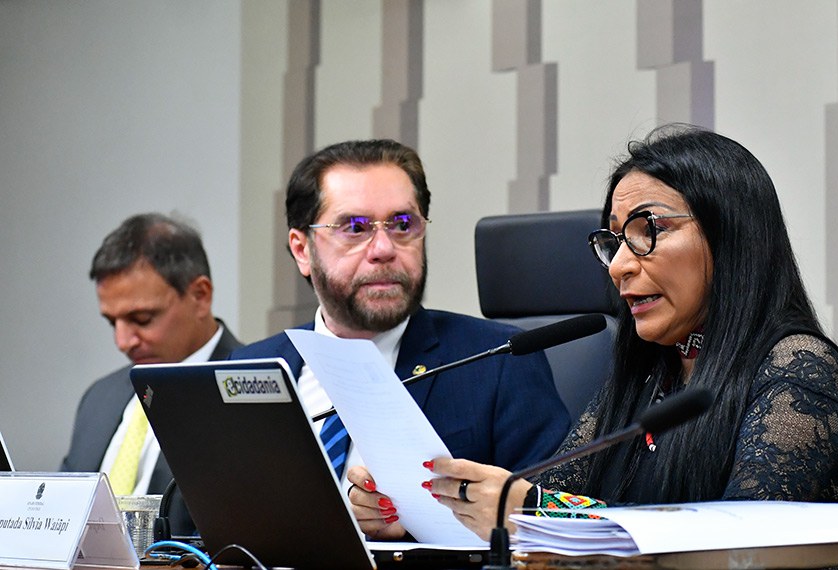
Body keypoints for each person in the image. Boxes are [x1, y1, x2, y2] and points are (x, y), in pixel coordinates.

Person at [363, 125, 838, 541]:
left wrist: (533, 508)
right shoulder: (651, 372)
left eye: (649, 231)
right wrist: (423, 508)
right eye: (614, 239)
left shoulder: (799, 372)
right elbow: (544, 493)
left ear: (731, 237)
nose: (619, 265)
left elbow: (741, 544)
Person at [230, 139, 571, 537]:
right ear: (302, 249)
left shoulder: (498, 361)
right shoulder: (248, 369)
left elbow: (554, 523)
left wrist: (416, 527)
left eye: (403, 225)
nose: (383, 249)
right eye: (355, 228)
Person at [61, 212, 242, 535]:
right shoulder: (99, 398)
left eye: (142, 318)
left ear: (200, 296)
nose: (122, 342)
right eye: (111, 322)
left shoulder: (246, 389)